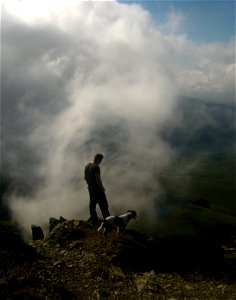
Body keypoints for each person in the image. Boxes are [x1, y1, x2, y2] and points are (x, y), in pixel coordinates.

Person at [84, 153, 110, 226]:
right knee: (104, 206)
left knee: (92, 206)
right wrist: (102, 188)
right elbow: (98, 179)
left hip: (91, 190)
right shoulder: (96, 167)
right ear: (98, 159)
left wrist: (89, 185)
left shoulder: (87, 166)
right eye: (101, 160)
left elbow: (85, 178)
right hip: (98, 190)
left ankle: (94, 221)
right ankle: (108, 223)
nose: (100, 162)